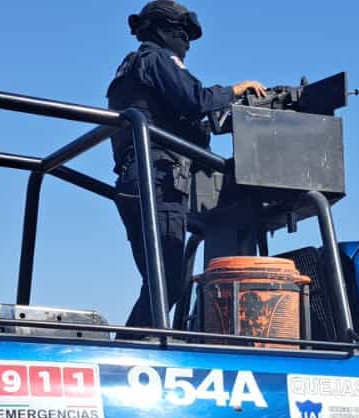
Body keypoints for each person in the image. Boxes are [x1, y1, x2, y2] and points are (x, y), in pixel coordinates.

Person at [108, 1, 266, 328]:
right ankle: (133, 347)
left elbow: (174, 121)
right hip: (158, 180)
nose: (188, 44)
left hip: (135, 181)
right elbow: (194, 99)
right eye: (183, 35)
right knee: (168, 282)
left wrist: (207, 130)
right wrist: (235, 91)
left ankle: (133, 344)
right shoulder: (156, 59)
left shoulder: (131, 68)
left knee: (160, 282)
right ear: (164, 30)